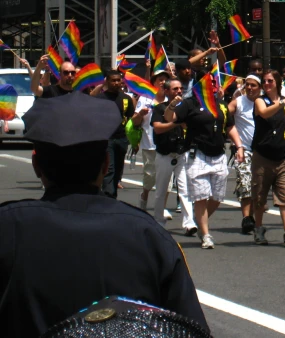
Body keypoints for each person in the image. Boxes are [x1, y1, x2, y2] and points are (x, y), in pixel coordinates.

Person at [0, 93, 207, 336]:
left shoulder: (8, 227)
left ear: (37, 166)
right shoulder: (148, 234)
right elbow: (191, 329)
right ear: (105, 163)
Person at [165, 72, 240, 249]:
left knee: (217, 196)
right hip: (197, 154)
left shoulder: (221, 104)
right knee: (200, 197)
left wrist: (239, 146)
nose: (214, 85)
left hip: (218, 154)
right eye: (210, 82)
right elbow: (170, 118)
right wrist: (171, 106)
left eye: (215, 83)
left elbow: (230, 126)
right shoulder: (189, 104)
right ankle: (206, 234)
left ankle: (200, 221)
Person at [250, 69, 285, 246]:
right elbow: (264, 113)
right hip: (263, 156)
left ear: (278, 83)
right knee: (260, 195)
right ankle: (258, 228)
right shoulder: (260, 100)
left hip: (284, 156)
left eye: (270, 81)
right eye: (264, 81)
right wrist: (282, 103)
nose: (266, 84)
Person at [151, 79, 196, 234]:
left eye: (180, 88)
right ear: (166, 90)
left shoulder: (186, 108)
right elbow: (157, 128)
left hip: (182, 153)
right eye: (175, 89)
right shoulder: (159, 108)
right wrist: (175, 124)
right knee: (161, 190)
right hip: (164, 154)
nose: (178, 91)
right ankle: (158, 220)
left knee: (185, 190)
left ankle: (189, 223)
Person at [228, 74, 261, 235]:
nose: (249, 88)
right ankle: (246, 218)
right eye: (247, 85)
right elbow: (225, 115)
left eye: (253, 85)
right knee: (246, 184)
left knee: (258, 187)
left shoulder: (264, 102)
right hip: (244, 150)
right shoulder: (239, 102)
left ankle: (252, 217)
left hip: (262, 152)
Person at [133, 68, 169, 211]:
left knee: (167, 178)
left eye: (165, 79)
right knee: (150, 177)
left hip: (167, 144)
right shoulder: (145, 98)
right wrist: (140, 114)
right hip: (149, 143)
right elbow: (135, 121)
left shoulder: (170, 99)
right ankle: (144, 196)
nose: (163, 82)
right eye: (160, 79)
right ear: (153, 82)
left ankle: (161, 207)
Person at [97, 70, 135, 199]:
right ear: (107, 81)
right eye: (113, 80)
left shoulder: (126, 98)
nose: (116, 83)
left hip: (122, 139)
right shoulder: (100, 99)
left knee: (118, 169)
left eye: (118, 80)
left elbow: (130, 118)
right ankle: (107, 196)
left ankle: (113, 196)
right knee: (109, 169)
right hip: (106, 139)